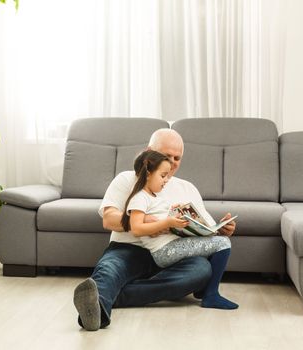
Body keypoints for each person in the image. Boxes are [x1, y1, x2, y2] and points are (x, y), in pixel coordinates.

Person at [73, 128, 236, 331]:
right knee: (110, 270)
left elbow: (206, 229)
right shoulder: (126, 179)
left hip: (173, 253)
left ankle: (110, 297)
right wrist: (146, 222)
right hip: (128, 248)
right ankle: (95, 311)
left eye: (177, 157)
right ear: (148, 152)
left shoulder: (188, 188)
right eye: (167, 155)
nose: (173, 161)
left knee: (201, 270)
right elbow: (108, 219)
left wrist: (222, 230)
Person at [122, 150, 238, 309]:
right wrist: (168, 221)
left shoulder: (154, 197)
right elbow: (136, 228)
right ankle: (210, 295)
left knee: (218, 241)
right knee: (223, 243)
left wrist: (173, 212)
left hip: (170, 245)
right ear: (148, 174)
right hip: (164, 251)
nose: (166, 180)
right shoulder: (139, 198)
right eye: (163, 176)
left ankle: (205, 290)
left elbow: (159, 218)